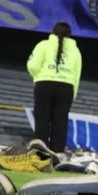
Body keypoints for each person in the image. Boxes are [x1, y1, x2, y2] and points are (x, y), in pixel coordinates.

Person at [27, 22, 81, 155]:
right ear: (69, 34)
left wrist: (38, 76)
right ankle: (57, 153)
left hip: (44, 84)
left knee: (42, 119)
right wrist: (73, 93)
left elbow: (32, 66)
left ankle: (40, 154)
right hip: (66, 86)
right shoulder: (75, 50)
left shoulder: (43, 45)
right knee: (61, 121)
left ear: (52, 31)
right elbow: (77, 74)